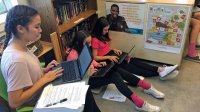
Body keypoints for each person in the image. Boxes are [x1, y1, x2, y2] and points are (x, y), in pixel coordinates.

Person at [0, 5, 100, 112]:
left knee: (84, 88)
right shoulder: (16, 60)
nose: (41, 30)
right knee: (83, 92)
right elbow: (14, 102)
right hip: (39, 101)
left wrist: (44, 70)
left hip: (44, 88)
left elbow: (26, 75)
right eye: (37, 27)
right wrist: (44, 79)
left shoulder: (19, 46)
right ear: (20, 29)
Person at [66, 30, 165, 112]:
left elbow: (90, 60)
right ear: (79, 42)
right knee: (115, 76)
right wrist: (90, 73)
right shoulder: (72, 57)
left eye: (90, 42)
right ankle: (141, 101)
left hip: (94, 72)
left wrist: (97, 64)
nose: (90, 44)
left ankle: (146, 88)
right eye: (87, 43)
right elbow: (77, 79)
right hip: (88, 80)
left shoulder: (83, 49)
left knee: (116, 69)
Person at [91, 17, 179, 80]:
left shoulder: (104, 35)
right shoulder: (95, 39)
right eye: (105, 30)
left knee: (132, 60)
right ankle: (160, 72)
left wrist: (113, 49)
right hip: (105, 60)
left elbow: (105, 47)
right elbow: (95, 57)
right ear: (99, 29)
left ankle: (160, 70)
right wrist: (109, 57)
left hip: (111, 55)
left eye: (107, 29)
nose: (107, 31)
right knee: (131, 67)